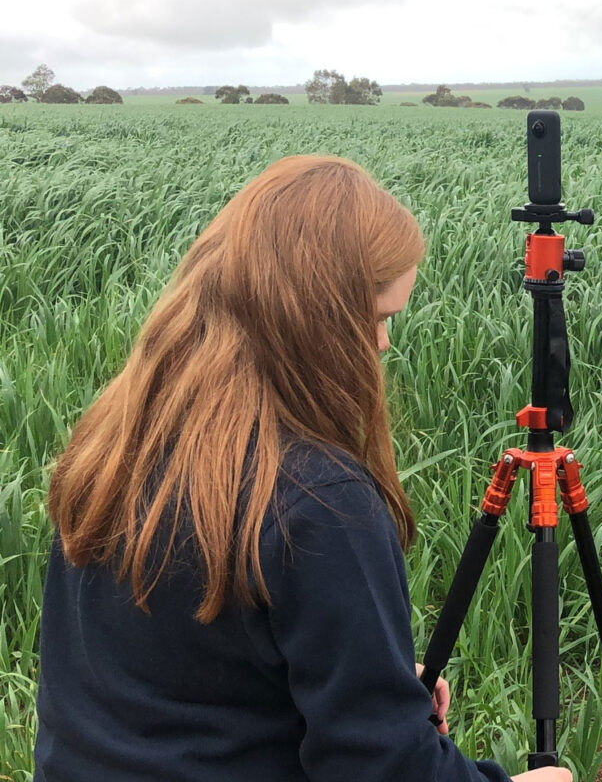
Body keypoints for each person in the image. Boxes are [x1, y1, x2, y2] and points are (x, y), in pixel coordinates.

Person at [35, 155, 572, 782]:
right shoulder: (319, 503)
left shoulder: (118, 442)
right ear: (314, 319)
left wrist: (374, 686)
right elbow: (382, 771)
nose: (383, 345)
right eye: (376, 319)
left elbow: (176, 689)